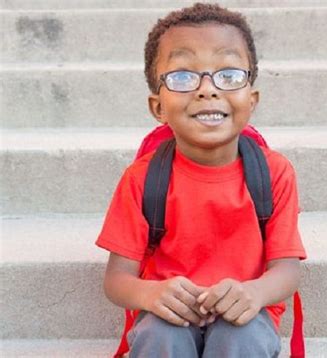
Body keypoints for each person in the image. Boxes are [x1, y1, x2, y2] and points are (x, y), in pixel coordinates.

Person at [96, 3, 307, 357]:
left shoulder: (274, 172)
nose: (207, 89)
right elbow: (116, 280)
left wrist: (254, 292)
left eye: (228, 74)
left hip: (245, 314)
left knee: (239, 337)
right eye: (182, 76)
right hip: (169, 315)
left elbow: (286, 270)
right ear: (158, 107)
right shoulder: (142, 178)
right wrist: (151, 294)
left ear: (251, 99)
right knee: (161, 336)